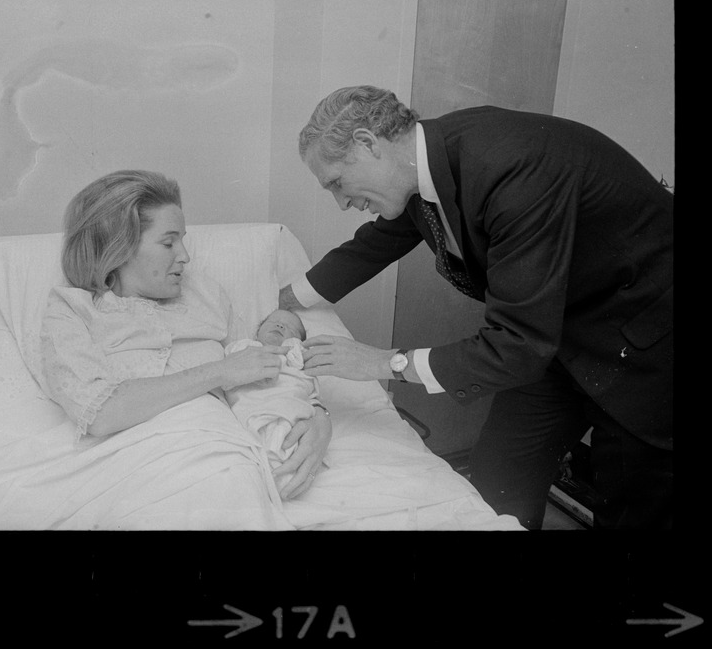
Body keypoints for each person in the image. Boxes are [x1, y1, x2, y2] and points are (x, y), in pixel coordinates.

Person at [280, 85, 673, 530]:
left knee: (629, 504)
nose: (341, 202)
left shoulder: (511, 167)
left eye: (336, 183)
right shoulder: (427, 168)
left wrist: (383, 362)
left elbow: (518, 344)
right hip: (554, 336)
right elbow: (374, 245)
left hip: (643, 342)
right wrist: (283, 303)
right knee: (498, 482)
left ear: (368, 144)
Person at [40, 170, 331, 503]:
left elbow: (258, 368)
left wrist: (320, 418)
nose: (185, 255)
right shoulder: (71, 310)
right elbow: (101, 413)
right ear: (118, 248)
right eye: (168, 242)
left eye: (183, 240)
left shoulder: (203, 293)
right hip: (133, 464)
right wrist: (219, 372)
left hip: (223, 455)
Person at [223, 309, 327, 490]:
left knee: (288, 440)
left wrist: (294, 345)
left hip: (288, 404)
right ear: (257, 332)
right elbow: (230, 364)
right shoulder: (245, 346)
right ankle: (258, 477)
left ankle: (280, 475)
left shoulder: (295, 354)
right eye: (273, 322)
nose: (280, 325)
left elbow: (308, 385)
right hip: (252, 404)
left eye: (291, 329)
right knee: (252, 439)